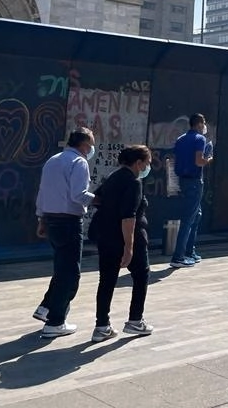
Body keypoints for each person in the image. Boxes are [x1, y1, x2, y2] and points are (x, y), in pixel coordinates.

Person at [34, 127, 96, 337]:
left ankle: (46, 307)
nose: (92, 149)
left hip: (51, 219)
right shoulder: (79, 162)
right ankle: (56, 321)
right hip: (69, 221)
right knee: (70, 274)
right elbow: (79, 195)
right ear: (84, 144)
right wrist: (99, 199)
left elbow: (43, 192)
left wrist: (41, 218)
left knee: (61, 268)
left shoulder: (52, 161)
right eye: (91, 144)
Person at [89, 145, 155, 342]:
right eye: (147, 163)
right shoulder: (133, 182)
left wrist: (110, 211)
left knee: (106, 280)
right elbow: (128, 217)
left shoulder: (113, 177)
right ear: (138, 163)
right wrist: (129, 247)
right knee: (141, 275)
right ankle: (135, 320)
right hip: (127, 237)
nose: (148, 167)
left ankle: (102, 325)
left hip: (106, 236)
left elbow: (96, 199)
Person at [170, 114, 213, 268]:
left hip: (183, 180)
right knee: (188, 219)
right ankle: (178, 257)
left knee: (196, 215)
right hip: (194, 181)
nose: (205, 126)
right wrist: (209, 159)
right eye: (204, 123)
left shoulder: (180, 139)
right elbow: (199, 161)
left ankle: (189, 251)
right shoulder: (200, 139)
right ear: (200, 124)